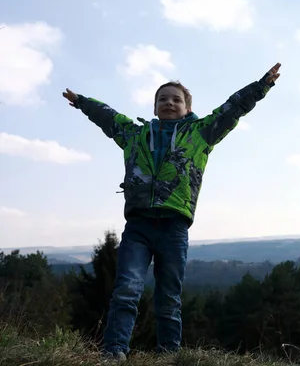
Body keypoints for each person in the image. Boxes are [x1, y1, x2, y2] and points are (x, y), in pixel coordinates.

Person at [62, 63, 281, 361]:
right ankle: (114, 353)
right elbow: (108, 117)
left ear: (187, 107)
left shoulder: (202, 133)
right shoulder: (134, 135)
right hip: (138, 226)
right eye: (163, 99)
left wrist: (261, 86)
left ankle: (169, 358)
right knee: (127, 289)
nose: (169, 103)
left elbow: (232, 109)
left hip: (174, 228)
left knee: (168, 298)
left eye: (176, 99)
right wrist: (82, 102)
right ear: (154, 107)